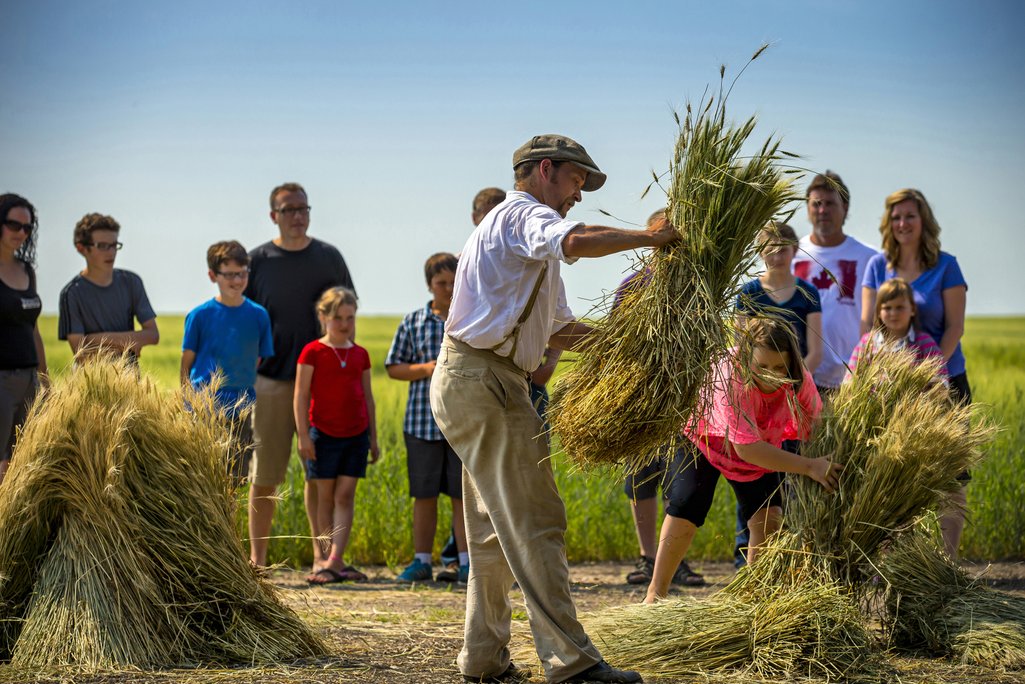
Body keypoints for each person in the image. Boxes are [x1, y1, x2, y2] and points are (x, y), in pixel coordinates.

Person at [431, 134, 676, 684]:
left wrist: (628, 345)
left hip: (479, 378)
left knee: (494, 531)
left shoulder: (528, 248)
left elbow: (561, 329)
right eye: (575, 181)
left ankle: (483, 658)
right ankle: (572, 663)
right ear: (544, 170)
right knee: (538, 521)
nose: (579, 195)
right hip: (484, 380)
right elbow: (577, 239)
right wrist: (650, 238)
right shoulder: (519, 215)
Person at [644, 318, 841, 603]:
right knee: (687, 505)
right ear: (746, 358)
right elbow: (746, 450)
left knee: (769, 516)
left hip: (759, 442)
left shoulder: (800, 381)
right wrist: (810, 467)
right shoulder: (729, 375)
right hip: (704, 438)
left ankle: (754, 599)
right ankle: (655, 594)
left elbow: (817, 428)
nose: (771, 376)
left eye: (779, 368)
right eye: (762, 367)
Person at [244, 182, 355, 569]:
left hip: (321, 386)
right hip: (272, 382)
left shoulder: (328, 257)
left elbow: (347, 315)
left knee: (318, 477)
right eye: (289, 209)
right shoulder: (257, 261)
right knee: (266, 474)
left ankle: (321, 557)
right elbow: (243, 316)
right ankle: (257, 562)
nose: (298, 216)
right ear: (273, 215)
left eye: (303, 208)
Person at [860, 189, 968, 558]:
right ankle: (900, 560)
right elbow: (868, 327)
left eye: (910, 216)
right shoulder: (877, 266)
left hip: (942, 382)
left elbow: (954, 327)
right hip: (892, 388)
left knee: (951, 473)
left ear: (924, 221)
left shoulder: (946, 265)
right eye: (896, 217)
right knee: (896, 470)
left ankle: (947, 561)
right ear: (888, 224)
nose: (903, 223)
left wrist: (927, 373)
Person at [617, 212, 705, 588]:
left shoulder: (694, 287)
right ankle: (647, 557)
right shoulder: (633, 286)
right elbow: (619, 341)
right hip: (641, 394)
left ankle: (674, 562)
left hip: (685, 397)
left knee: (679, 480)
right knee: (640, 478)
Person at [732, 220, 823, 566]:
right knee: (753, 475)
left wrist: (795, 386)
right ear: (759, 251)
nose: (777, 251)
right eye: (769, 245)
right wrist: (764, 385)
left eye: (783, 245)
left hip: (797, 396)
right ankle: (746, 559)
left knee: (791, 479)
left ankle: (786, 556)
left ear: (794, 249)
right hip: (755, 398)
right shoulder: (748, 294)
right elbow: (741, 349)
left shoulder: (807, 293)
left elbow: (813, 349)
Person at [386, 252, 469, 584]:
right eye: (441, 283)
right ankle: (421, 561)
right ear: (429, 285)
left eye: (452, 282)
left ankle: (466, 562)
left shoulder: (468, 317)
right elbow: (393, 367)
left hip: (462, 423)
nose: (448, 289)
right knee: (424, 495)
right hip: (421, 424)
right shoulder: (413, 321)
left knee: (462, 496)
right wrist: (427, 369)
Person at [295, 287, 378, 584]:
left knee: (345, 496)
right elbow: (301, 395)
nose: (345, 324)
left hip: (356, 435)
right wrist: (304, 435)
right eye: (338, 318)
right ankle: (323, 557)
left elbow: (368, 397)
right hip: (323, 434)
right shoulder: (312, 352)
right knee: (325, 497)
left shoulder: (360, 355)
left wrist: (373, 437)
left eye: (350, 318)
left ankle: (337, 559)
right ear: (323, 317)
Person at [180, 240, 274, 485]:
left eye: (242, 274)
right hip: (206, 408)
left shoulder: (259, 315)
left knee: (236, 481)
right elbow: (186, 362)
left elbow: (258, 360)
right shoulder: (199, 315)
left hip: (244, 409)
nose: (237, 280)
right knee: (205, 479)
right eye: (229, 274)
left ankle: (228, 524)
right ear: (213, 275)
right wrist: (186, 402)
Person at [791, 171, 877, 396]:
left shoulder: (869, 258)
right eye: (816, 203)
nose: (822, 210)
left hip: (852, 378)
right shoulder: (791, 255)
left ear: (845, 208)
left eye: (830, 203)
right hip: (800, 375)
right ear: (807, 208)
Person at [58, 213, 159, 361]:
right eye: (103, 246)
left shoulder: (132, 282)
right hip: (90, 382)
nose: (111, 252)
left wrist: (97, 339)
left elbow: (153, 335)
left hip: (130, 381)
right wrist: (130, 343)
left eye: (114, 245)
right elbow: (81, 353)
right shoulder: (71, 293)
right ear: (82, 248)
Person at [0, 194, 46, 486]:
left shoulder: (27, 271)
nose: (21, 233)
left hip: (29, 380)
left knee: (22, 458)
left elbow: (34, 329)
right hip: (1, 380)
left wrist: (44, 378)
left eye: (27, 228)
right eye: (13, 225)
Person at [848, 278, 946, 378]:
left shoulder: (924, 344)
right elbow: (850, 381)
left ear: (912, 309)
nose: (893, 313)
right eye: (887, 308)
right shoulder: (866, 343)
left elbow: (940, 383)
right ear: (878, 312)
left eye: (900, 307)